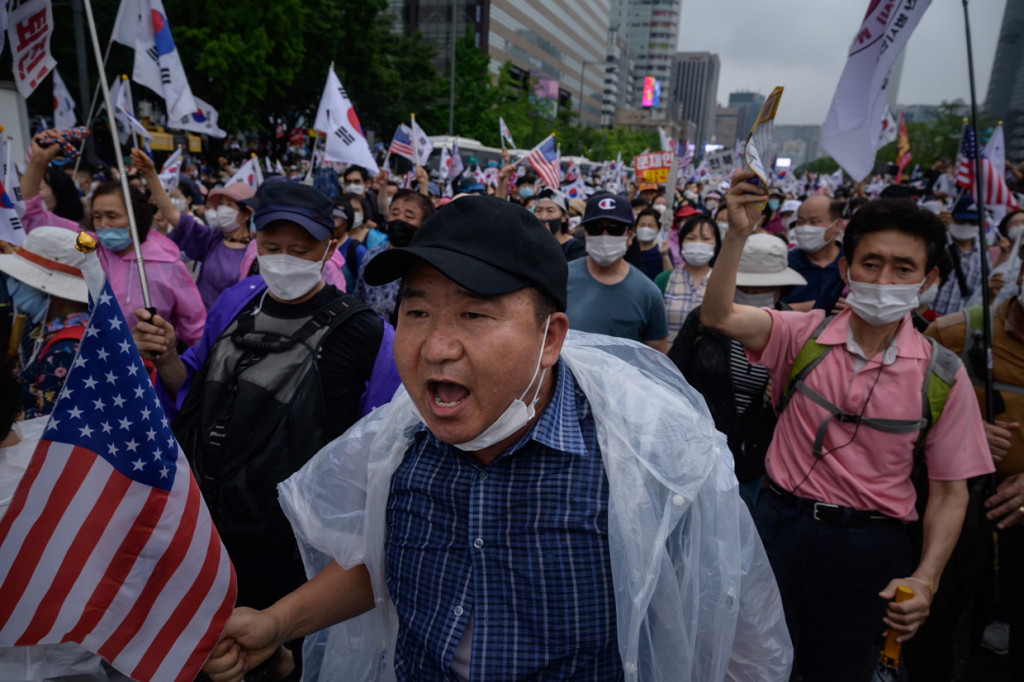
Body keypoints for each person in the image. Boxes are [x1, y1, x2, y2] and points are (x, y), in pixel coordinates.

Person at [201, 194, 792, 682]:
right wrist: (277, 625)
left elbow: (727, 623)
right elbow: (375, 558)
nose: (435, 347)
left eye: (474, 315)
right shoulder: (398, 444)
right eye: (417, 313)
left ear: (550, 337)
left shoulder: (642, 463)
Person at [701, 172, 994, 681]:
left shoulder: (943, 374)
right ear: (846, 267)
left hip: (869, 552)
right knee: (749, 660)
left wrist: (926, 578)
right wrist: (736, 234)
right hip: (778, 530)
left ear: (928, 282)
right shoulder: (801, 333)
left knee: (839, 669)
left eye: (904, 268)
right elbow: (720, 313)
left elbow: (950, 494)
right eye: (871, 264)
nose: (883, 281)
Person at [132, 181, 401, 676]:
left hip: (292, 552)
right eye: (271, 247)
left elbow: (379, 452)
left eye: (299, 250)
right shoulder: (238, 300)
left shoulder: (369, 334)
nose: (283, 260)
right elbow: (193, 389)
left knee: (271, 659)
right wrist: (168, 357)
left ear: (330, 249)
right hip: (207, 531)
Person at [904, 243, 1024, 678]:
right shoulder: (954, 334)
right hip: (952, 512)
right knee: (931, 633)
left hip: (1017, 527)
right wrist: (957, 436)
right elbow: (897, 423)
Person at [21, 131, 206, 346]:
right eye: (97, 216)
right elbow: (30, 217)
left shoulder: (167, 265)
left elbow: (195, 330)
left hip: (145, 372)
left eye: (113, 216)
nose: (104, 225)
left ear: (137, 218)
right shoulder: (87, 247)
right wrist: (38, 161)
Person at [669, 232, 806, 510]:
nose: (753, 295)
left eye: (763, 289)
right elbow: (670, 379)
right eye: (745, 286)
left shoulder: (796, 331)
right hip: (695, 457)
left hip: (755, 465)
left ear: (781, 288)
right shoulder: (703, 320)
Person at [131, 149, 253, 309]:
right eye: (221, 203)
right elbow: (174, 215)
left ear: (246, 214)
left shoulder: (256, 251)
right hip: (201, 325)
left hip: (231, 329)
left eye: (229, 205)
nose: (223, 209)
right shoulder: (212, 239)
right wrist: (151, 175)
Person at [0, 227, 89, 419]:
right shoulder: (78, 332)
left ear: (46, 289)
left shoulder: (64, 350)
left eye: (18, 280)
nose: (14, 286)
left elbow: (48, 424)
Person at [565, 193, 668, 352]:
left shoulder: (648, 293)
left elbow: (656, 355)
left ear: (630, 234)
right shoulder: (562, 277)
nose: (604, 236)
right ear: (586, 233)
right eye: (595, 228)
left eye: (615, 229)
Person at [353, 189, 435, 324]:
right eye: (395, 213)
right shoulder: (373, 255)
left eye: (409, 217)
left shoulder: (427, 264)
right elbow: (359, 296)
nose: (399, 220)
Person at [656, 215, 720, 343]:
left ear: (716, 245)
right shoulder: (664, 279)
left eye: (705, 238)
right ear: (681, 243)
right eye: (691, 238)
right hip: (665, 360)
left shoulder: (722, 283)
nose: (697, 243)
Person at [781, 195, 846, 313]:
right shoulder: (784, 263)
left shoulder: (852, 263)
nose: (805, 228)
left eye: (814, 222)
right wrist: (802, 308)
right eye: (800, 222)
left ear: (837, 225)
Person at [933, 195, 989, 316]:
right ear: (951, 217)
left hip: (955, 328)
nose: (967, 225)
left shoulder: (983, 256)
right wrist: (935, 228)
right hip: (923, 321)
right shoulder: (936, 243)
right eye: (962, 221)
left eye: (973, 222)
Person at [533, 188, 585, 261]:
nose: (543, 217)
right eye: (539, 210)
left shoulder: (576, 248)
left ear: (563, 216)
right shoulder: (529, 242)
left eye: (550, 211)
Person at [634, 207, 672, 279]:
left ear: (658, 229)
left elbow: (668, 279)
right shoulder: (629, 250)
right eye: (642, 225)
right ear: (636, 227)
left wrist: (665, 256)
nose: (646, 229)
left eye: (650, 226)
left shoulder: (663, 251)